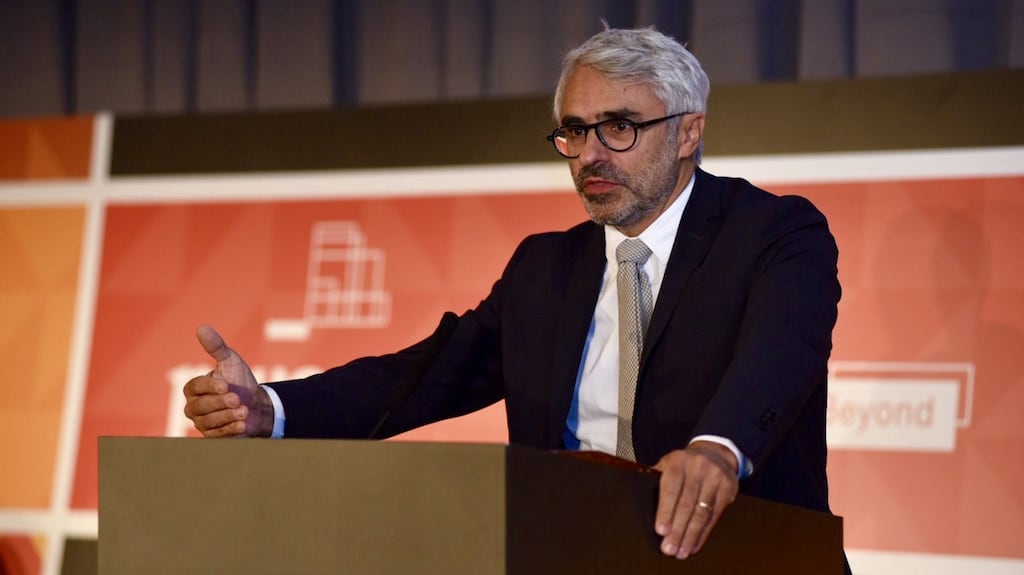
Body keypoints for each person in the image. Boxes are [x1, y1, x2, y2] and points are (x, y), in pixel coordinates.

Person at [184, 26, 844, 566]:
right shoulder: (544, 268)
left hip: (746, 556)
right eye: (575, 131)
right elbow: (423, 377)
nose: (591, 155)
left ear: (687, 132)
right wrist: (269, 407)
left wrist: (716, 448)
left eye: (618, 127)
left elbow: (781, 353)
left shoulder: (775, 233)